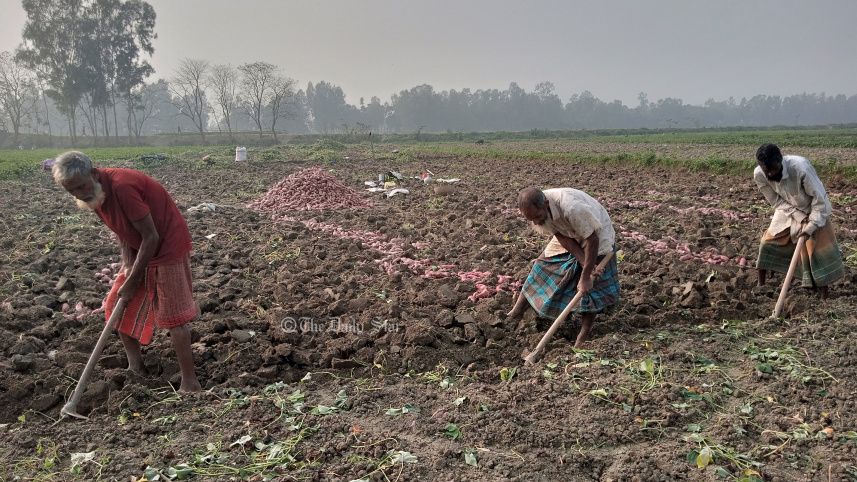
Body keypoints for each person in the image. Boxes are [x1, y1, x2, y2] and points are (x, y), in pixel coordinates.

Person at [52, 151, 202, 391]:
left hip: (168, 246)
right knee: (116, 305)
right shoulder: (95, 195)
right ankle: (136, 367)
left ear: (93, 174)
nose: (79, 194)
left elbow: (151, 236)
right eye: (72, 192)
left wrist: (133, 281)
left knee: (174, 317)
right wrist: (129, 268)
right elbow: (122, 231)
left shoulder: (122, 187)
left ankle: (190, 383)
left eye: (81, 187)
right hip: (141, 246)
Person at [508, 187, 620, 348]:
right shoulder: (541, 211)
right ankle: (517, 311)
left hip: (596, 233)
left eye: (537, 217)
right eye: (531, 219)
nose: (536, 222)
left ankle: (583, 335)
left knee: (590, 288)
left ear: (546, 204)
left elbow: (592, 239)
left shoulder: (571, 207)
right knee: (542, 265)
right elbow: (560, 235)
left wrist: (586, 276)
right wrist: (583, 261)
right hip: (568, 230)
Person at [754, 143, 844, 300]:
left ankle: (824, 295)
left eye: (774, 169)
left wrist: (810, 226)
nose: (771, 174)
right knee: (767, 242)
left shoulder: (800, 169)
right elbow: (776, 201)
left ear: (780, 161)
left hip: (813, 208)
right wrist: (799, 217)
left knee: (817, 250)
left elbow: (820, 201)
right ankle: (761, 286)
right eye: (767, 171)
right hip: (787, 208)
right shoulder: (760, 174)